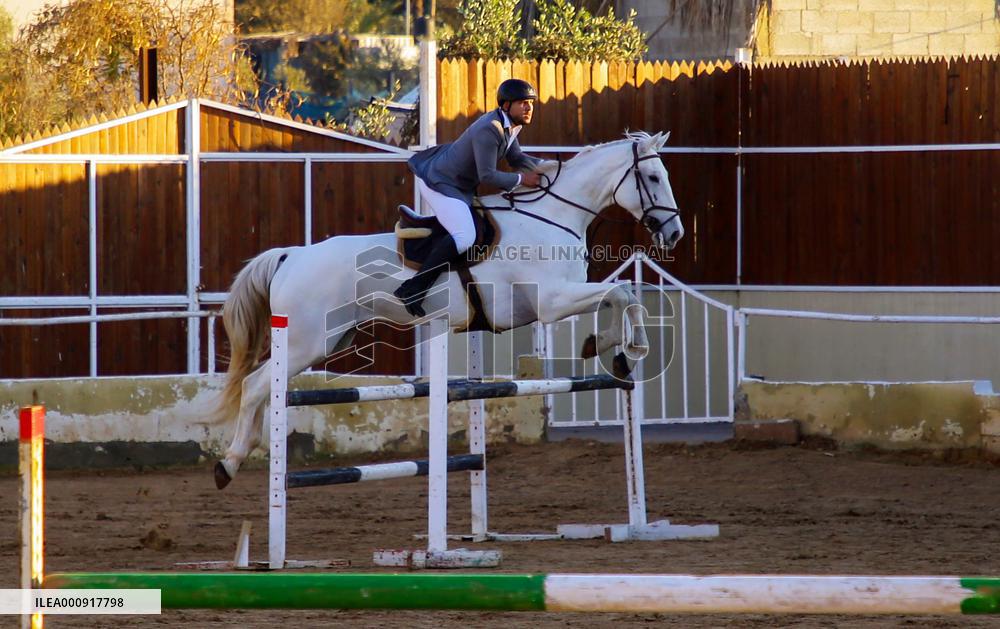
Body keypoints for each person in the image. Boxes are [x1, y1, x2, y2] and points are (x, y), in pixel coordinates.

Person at [394, 78, 545, 317]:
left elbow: (516, 159)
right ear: (506, 105)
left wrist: (551, 169)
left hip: (459, 183)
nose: (529, 108)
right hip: (440, 181)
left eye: (530, 103)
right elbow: (487, 175)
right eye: (523, 103)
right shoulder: (490, 129)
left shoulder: (512, 125)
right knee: (465, 237)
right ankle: (411, 288)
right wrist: (520, 180)